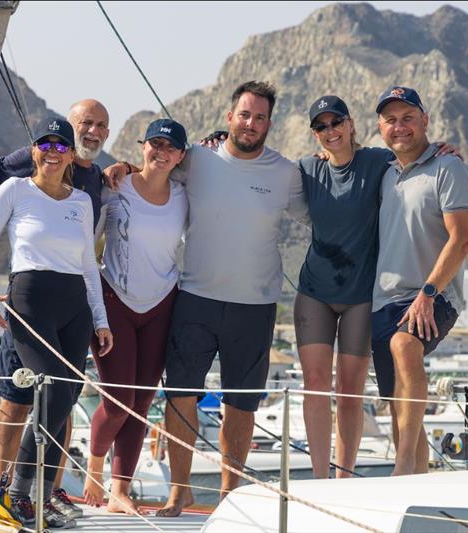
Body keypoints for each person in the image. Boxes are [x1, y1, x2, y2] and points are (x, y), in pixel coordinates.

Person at [106, 81, 308, 516]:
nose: (250, 123)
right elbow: (156, 167)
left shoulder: (286, 173)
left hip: (254, 306)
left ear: (269, 124)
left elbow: (322, 211)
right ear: (229, 117)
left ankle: (230, 494)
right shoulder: (197, 159)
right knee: (179, 395)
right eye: (244, 114)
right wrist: (122, 166)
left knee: (241, 404)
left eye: (259, 117)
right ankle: (180, 492)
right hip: (195, 298)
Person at [0, 99, 111, 521]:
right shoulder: (15, 190)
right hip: (30, 301)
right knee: (51, 391)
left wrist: (100, 319)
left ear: (71, 155)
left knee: (66, 396)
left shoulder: (81, 201)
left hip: (75, 306)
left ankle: (39, 497)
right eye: (46, 144)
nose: (53, 152)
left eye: (61, 146)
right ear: (34, 150)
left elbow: (88, 265)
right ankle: (14, 490)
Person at [296, 96, 461, 479]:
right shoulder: (307, 169)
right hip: (318, 290)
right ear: (315, 133)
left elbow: (415, 155)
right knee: (317, 384)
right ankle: (321, 481)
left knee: (351, 390)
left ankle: (347, 479)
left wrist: (442, 150)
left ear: (351, 123)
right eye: (321, 126)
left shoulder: (379, 162)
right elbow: (262, 170)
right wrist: (216, 142)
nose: (330, 131)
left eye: (336, 122)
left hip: (364, 294)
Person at [81, 118, 188, 515]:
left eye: (170, 148)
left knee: (141, 404)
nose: (161, 152)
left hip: (162, 305)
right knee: (118, 400)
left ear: (180, 157)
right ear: (143, 146)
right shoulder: (115, 186)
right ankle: (94, 468)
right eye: (155, 144)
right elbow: (86, 246)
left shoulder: (184, 196)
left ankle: (119, 492)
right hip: (114, 301)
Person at [370, 86, 468, 476]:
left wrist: (428, 294)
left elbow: (461, 241)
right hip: (384, 300)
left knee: (404, 345)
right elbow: (339, 154)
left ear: (425, 120)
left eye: (408, 118)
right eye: (391, 120)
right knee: (397, 402)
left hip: (434, 294)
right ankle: (414, 479)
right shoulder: (383, 172)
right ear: (381, 127)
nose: (400, 127)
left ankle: (399, 468)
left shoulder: (448, 167)